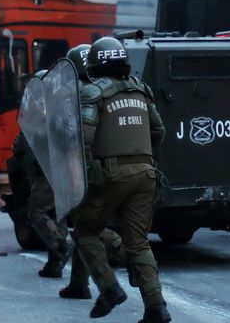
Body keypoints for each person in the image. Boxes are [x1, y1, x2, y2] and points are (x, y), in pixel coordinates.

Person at [72, 37, 170, 322]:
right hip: (146, 174)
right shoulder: (141, 91)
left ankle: (110, 289)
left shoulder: (93, 92)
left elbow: (84, 138)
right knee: (138, 242)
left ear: (93, 65)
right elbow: (159, 132)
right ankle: (157, 308)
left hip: (112, 175)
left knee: (85, 231)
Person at [59, 44, 126, 301]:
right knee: (83, 223)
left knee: (87, 227)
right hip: (108, 167)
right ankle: (78, 284)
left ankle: (127, 254)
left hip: (86, 170)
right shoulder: (109, 87)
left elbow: (72, 133)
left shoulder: (78, 92)